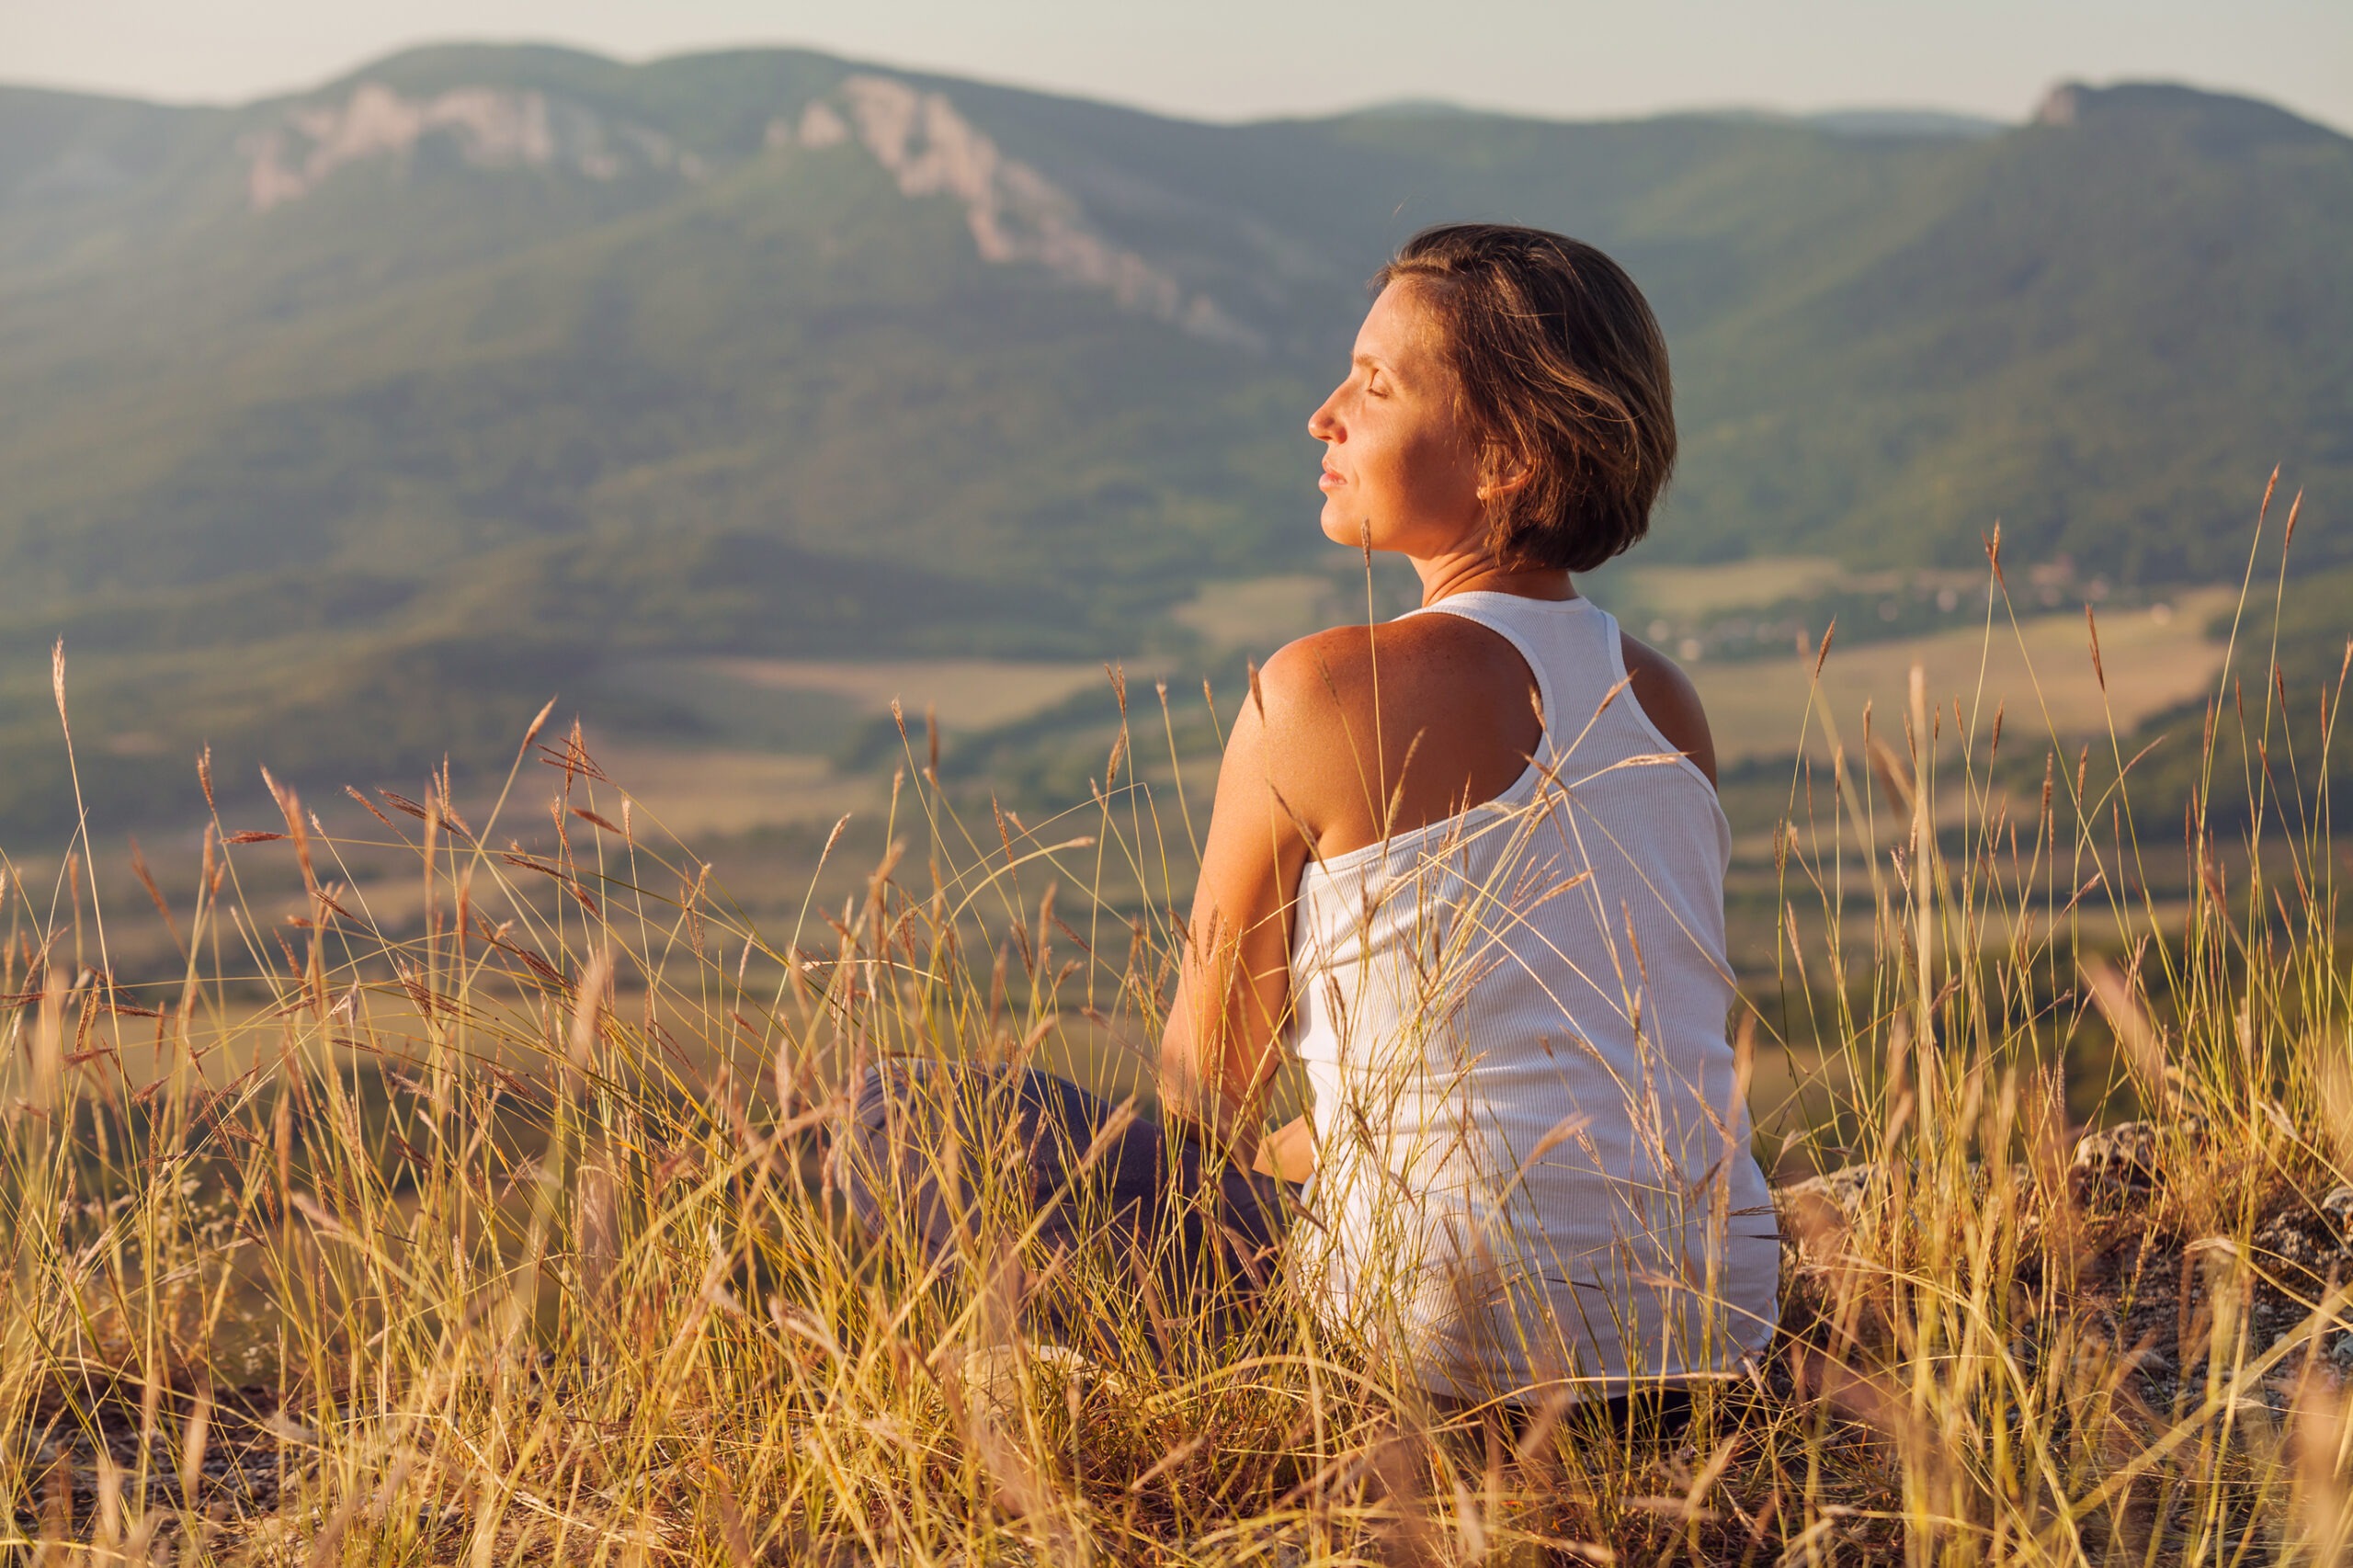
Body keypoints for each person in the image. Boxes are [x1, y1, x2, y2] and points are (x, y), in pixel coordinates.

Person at [848, 222, 1780, 1414]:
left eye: (1375, 385)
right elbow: (1583, 1082)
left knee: (891, 1115)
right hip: (1709, 1322)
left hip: (1446, 1340)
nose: (1324, 413)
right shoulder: (1668, 703)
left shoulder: (1322, 691)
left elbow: (1202, 1103)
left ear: (1505, 456)